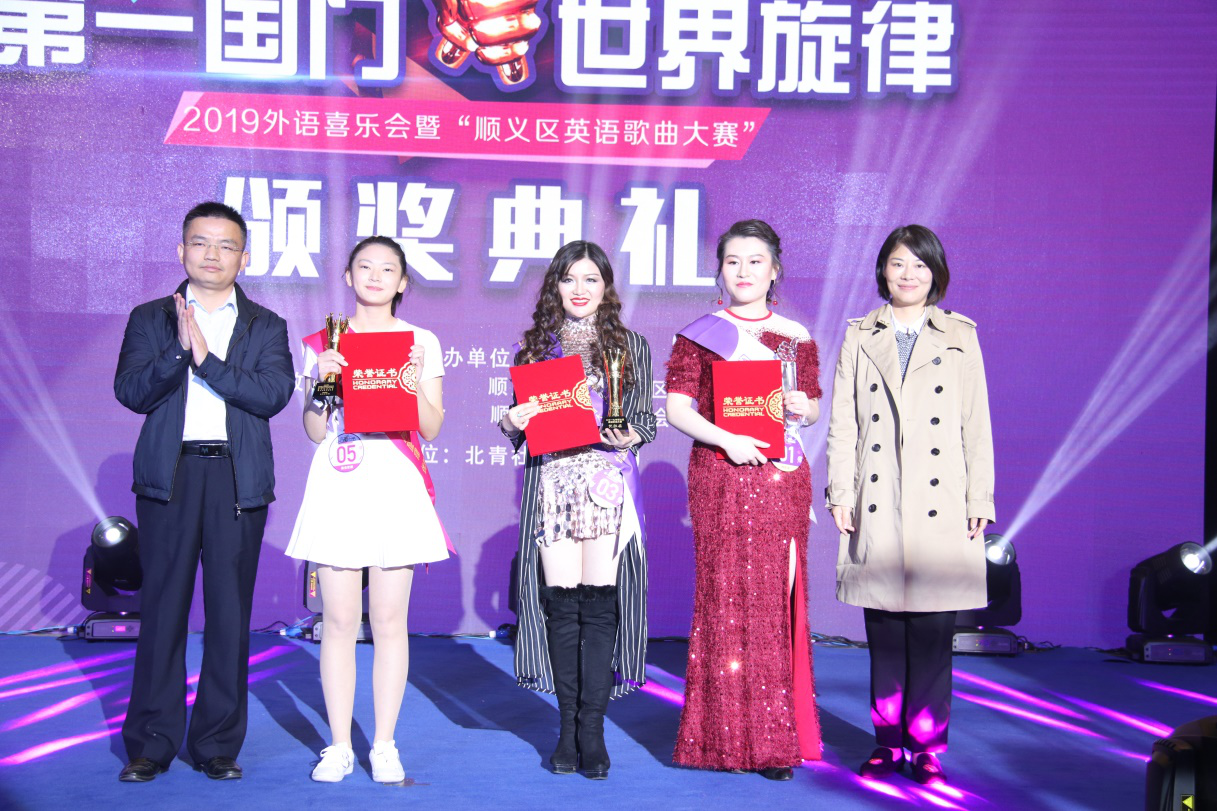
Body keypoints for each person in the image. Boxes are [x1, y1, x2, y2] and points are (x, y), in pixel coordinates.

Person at [114, 201, 295, 782]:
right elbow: (132, 391)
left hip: (236, 481)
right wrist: (178, 348)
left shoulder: (267, 325)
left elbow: (271, 395)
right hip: (168, 479)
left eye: (226, 245)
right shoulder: (150, 318)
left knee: (229, 616)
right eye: (200, 242)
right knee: (162, 611)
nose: (212, 254)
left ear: (244, 258)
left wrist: (206, 360)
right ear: (181, 250)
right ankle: (151, 743)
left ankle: (217, 743)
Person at [825, 224, 994, 785]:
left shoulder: (960, 335)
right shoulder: (860, 335)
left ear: (935, 273)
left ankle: (926, 746)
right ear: (883, 270)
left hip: (941, 498)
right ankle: (886, 741)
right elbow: (843, 422)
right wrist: (841, 491)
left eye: (920, 265)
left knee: (932, 634)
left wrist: (980, 496)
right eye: (898, 264)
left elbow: (976, 422)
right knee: (885, 632)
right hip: (879, 497)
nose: (908, 274)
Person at [285, 236, 452, 783]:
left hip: (395, 479)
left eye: (387, 269)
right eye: (364, 266)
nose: (375, 276)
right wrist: (321, 383)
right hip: (339, 477)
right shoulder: (324, 342)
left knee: (388, 620)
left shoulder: (420, 340)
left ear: (402, 282)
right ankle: (338, 745)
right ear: (348, 276)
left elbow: (431, 426)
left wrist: (412, 380)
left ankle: (383, 743)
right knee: (338, 621)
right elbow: (314, 431)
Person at [665, 219, 823, 780]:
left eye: (756, 261)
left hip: (781, 479)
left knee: (773, 604)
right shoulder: (698, 335)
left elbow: (810, 407)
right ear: (720, 270)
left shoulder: (795, 335)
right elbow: (677, 409)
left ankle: (774, 740)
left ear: (775, 269)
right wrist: (727, 439)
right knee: (724, 600)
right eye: (733, 261)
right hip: (721, 473)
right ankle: (720, 738)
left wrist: (803, 408)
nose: (744, 271)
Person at [499, 241, 655, 780]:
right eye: (569, 279)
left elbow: (645, 420)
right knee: (562, 609)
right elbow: (516, 423)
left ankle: (594, 730)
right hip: (553, 487)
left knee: (600, 608)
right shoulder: (534, 349)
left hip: (606, 487)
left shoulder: (630, 345)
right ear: (555, 287)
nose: (580, 289)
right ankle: (567, 729)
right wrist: (512, 421)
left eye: (591, 279)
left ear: (606, 285)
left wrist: (629, 433)